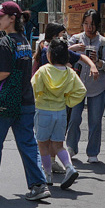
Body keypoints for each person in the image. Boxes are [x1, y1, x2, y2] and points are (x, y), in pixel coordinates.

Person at [0, 2, 49, 201]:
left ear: (12, 18)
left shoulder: (6, 42)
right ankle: (38, 184)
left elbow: (4, 72)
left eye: (1, 16)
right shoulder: (24, 40)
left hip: (6, 101)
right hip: (26, 99)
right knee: (27, 143)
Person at [31, 41, 86, 191]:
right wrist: (68, 100)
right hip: (61, 112)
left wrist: (36, 99)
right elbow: (81, 91)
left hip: (43, 111)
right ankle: (69, 167)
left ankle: (47, 175)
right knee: (58, 145)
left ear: (49, 55)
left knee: (42, 144)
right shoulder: (70, 73)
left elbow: (33, 88)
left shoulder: (43, 71)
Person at [66, 10, 105, 164]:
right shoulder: (76, 39)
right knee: (74, 118)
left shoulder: (103, 42)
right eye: (86, 23)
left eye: (92, 24)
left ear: (97, 25)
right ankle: (71, 147)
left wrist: (97, 61)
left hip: (97, 86)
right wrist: (74, 49)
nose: (89, 27)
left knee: (95, 120)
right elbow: (61, 55)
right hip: (76, 86)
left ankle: (93, 152)